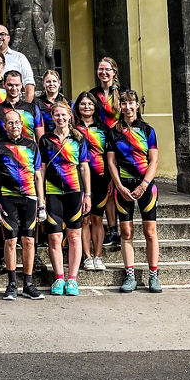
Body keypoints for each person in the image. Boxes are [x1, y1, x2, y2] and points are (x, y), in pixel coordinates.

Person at [0, 109, 45, 301]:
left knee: (28, 240)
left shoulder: (32, 146)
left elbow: (38, 176)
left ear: (22, 124)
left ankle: (28, 284)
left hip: (30, 198)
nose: (14, 126)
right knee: (10, 240)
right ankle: (11, 284)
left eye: (16, 123)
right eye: (9, 123)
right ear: (5, 126)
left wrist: (42, 204)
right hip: (7, 198)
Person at [106, 88, 161, 294]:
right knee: (126, 232)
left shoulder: (148, 130)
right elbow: (111, 162)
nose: (127, 107)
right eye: (123, 103)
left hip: (146, 186)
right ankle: (130, 274)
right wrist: (119, 185)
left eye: (131, 103)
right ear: (119, 106)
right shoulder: (114, 131)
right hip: (124, 187)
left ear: (137, 105)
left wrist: (144, 184)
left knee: (150, 232)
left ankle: (153, 274)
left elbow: (154, 160)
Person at [40, 102, 90, 297]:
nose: (60, 118)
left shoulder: (78, 138)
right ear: (52, 117)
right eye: (56, 115)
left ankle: (72, 279)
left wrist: (88, 194)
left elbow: (85, 167)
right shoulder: (45, 140)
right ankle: (59, 277)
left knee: (74, 236)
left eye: (63, 115)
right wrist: (41, 196)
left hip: (75, 192)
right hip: (52, 192)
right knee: (54, 237)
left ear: (70, 116)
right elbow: (41, 169)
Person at [74, 90, 111, 272]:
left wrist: (112, 180)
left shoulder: (104, 129)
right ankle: (86, 257)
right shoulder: (73, 129)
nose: (86, 107)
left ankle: (98, 256)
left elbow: (111, 157)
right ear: (77, 107)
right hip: (78, 180)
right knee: (84, 220)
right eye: (82, 103)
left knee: (98, 218)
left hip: (101, 179)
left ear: (95, 107)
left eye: (90, 104)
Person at [88, 56, 122, 255]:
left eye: (107, 69)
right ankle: (112, 229)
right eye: (100, 69)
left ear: (114, 71)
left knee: (119, 186)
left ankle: (122, 225)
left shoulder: (123, 93)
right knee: (108, 187)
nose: (103, 73)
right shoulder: (93, 94)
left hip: (120, 144)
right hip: (100, 145)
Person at [0, 71, 43, 146]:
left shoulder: (33, 108)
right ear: (4, 84)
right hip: (3, 155)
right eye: (10, 85)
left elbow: (41, 140)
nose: (14, 88)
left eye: (17, 85)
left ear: (21, 85)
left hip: (28, 155)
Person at [36, 69, 66, 135]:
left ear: (59, 83)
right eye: (48, 82)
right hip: (44, 140)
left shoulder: (67, 102)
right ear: (43, 83)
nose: (51, 84)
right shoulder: (36, 103)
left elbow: (72, 124)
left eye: (54, 81)